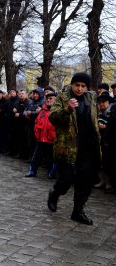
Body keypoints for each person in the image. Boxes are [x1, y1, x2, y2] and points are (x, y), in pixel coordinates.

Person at [47, 72, 100, 225]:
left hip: (88, 146)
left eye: (83, 86)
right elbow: (53, 118)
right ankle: (55, 193)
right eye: (77, 85)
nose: (79, 89)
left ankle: (77, 212)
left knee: (85, 181)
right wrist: (68, 110)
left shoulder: (91, 98)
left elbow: (94, 119)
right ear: (72, 85)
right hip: (68, 146)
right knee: (66, 179)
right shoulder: (63, 98)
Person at [25, 92, 57, 178]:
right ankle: (32, 171)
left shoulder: (57, 111)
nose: (48, 100)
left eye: (51, 98)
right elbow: (37, 122)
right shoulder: (42, 110)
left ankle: (51, 173)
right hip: (41, 138)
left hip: (52, 139)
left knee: (51, 158)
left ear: (55, 100)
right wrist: (37, 134)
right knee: (36, 157)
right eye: (47, 98)